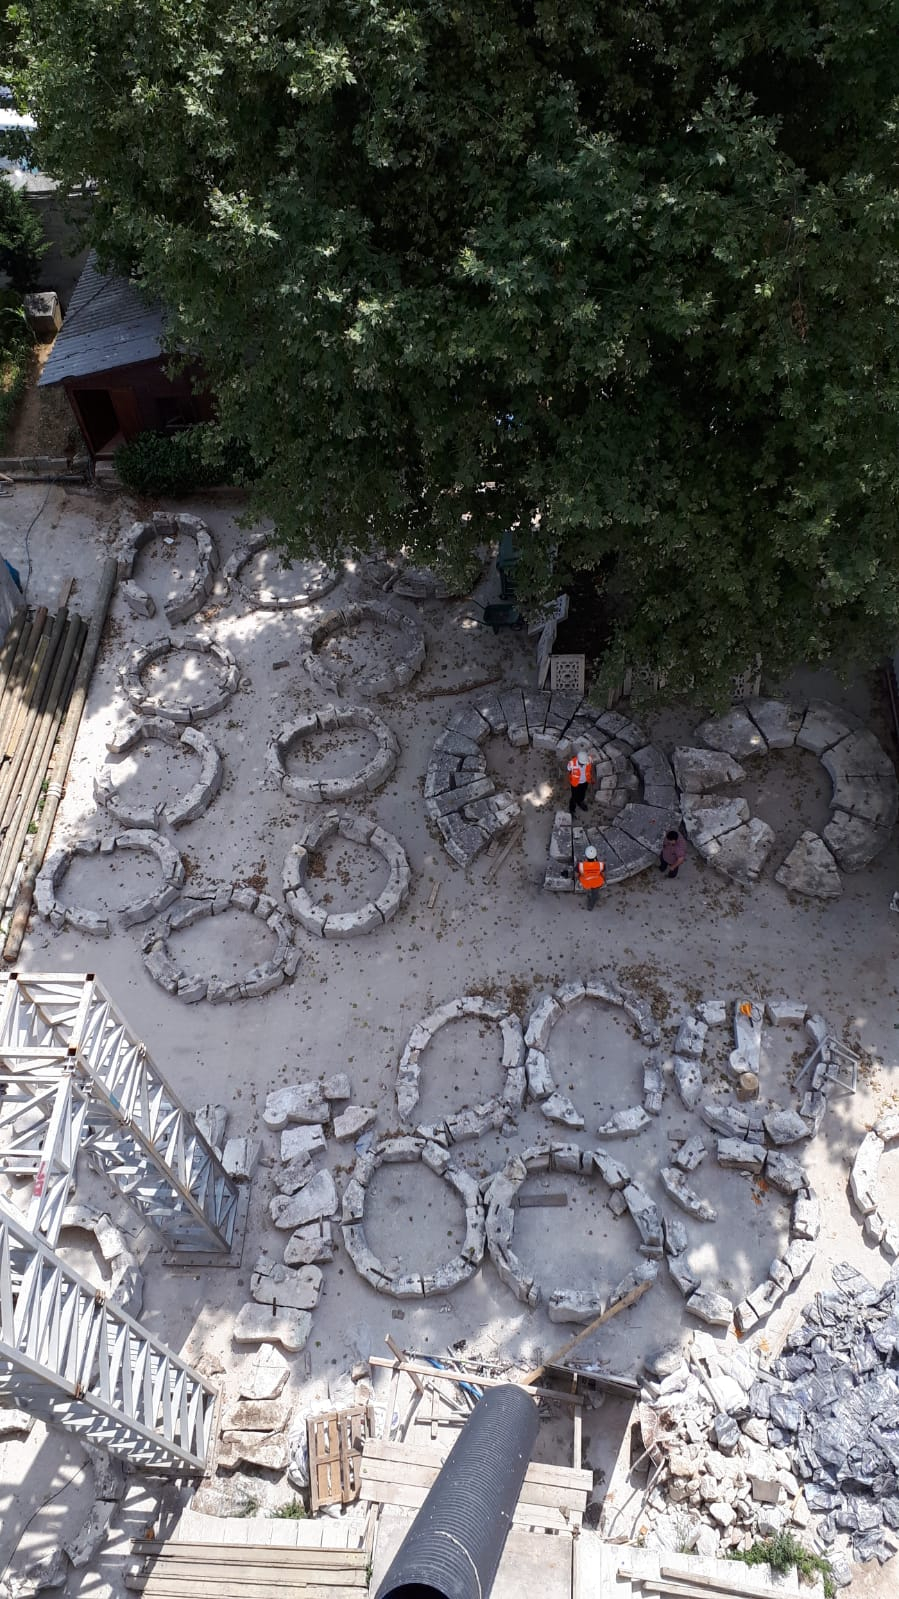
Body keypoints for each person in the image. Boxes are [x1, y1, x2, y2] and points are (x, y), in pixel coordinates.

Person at [577, 845, 605, 910]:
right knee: (595, 893)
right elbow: (603, 874)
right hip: (597, 883)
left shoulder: (581, 865)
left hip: (586, 883)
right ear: (595, 856)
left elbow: (576, 874)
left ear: (586, 856)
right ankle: (591, 905)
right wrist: (604, 880)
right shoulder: (601, 865)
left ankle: (590, 896)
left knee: (588, 890)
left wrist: (579, 878)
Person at [566, 750, 593, 815]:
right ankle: (572, 809)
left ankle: (580, 802)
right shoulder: (571, 763)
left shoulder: (589, 760)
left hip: (585, 781)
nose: (584, 764)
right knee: (574, 796)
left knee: (582, 793)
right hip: (575, 783)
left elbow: (589, 769)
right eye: (582, 763)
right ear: (578, 760)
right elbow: (568, 771)